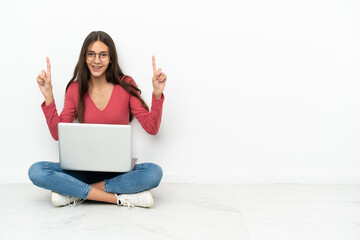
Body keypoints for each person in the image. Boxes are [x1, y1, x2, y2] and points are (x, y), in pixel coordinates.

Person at [28, 31, 167, 208]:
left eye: (103, 55)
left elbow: (152, 127)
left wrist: (157, 93)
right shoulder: (75, 88)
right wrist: (48, 95)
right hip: (83, 170)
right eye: (91, 54)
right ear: (84, 57)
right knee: (37, 171)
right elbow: (57, 133)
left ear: (111, 59)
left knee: (153, 173)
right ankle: (119, 198)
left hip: (119, 173)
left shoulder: (126, 84)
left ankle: (75, 193)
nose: (96, 60)